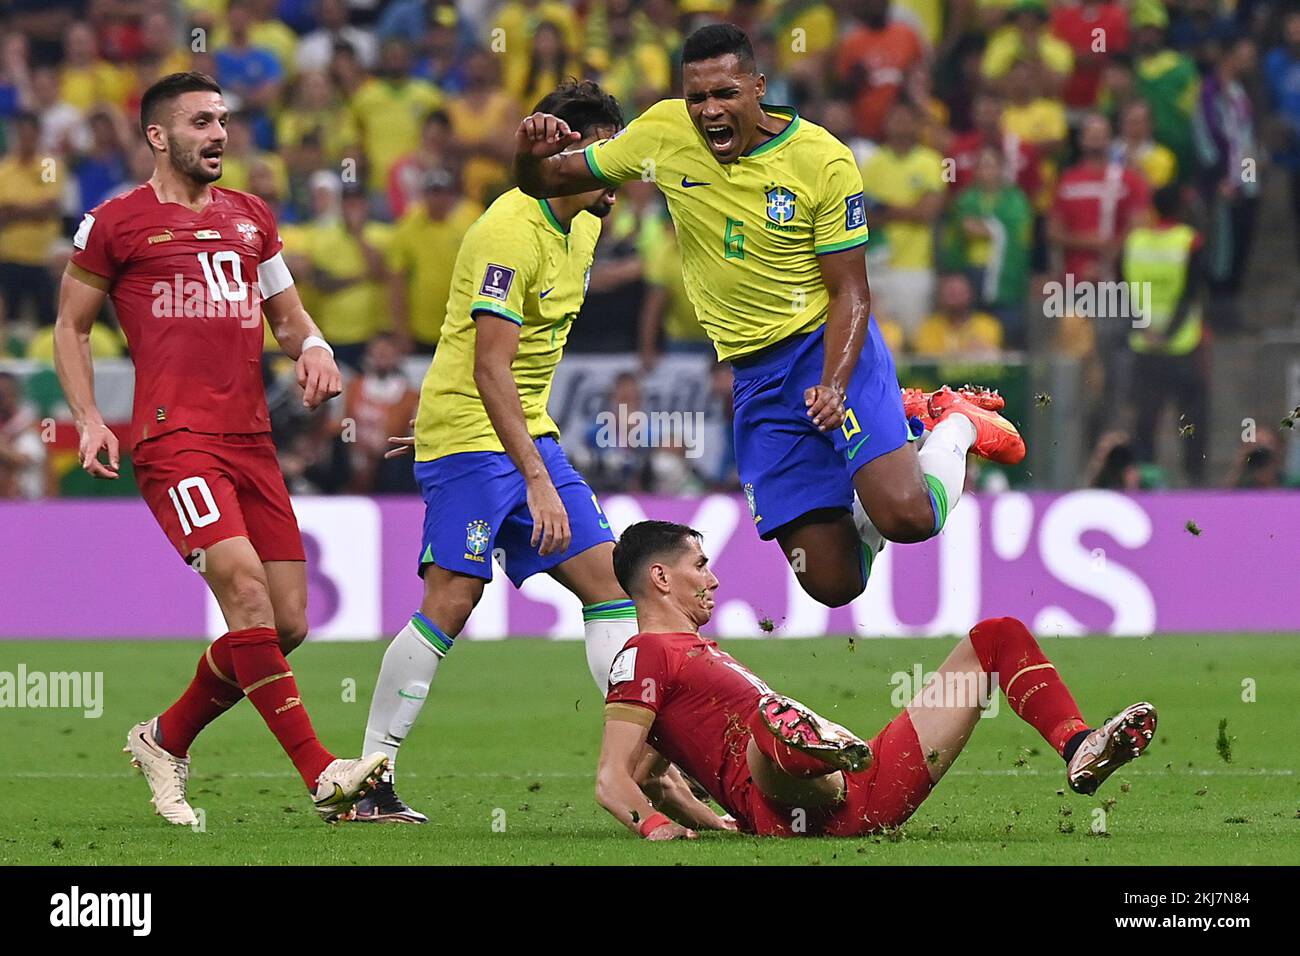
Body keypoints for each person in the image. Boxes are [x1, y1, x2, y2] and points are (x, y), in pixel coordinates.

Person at [514, 23, 1024, 613]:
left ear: (759, 86)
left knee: (907, 516)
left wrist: (834, 383)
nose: (709, 111)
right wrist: (529, 153)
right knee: (832, 584)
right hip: (754, 379)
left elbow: (851, 293)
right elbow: (544, 181)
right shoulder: (660, 134)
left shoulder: (823, 162)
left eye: (725, 94)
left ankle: (954, 422)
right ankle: (893, 442)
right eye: (696, 97)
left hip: (824, 347)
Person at [52, 72, 387, 826]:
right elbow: (70, 325)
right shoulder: (116, 222)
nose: (219, 134)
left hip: (251, 441)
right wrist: (89, 417)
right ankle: (323, 773)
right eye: (201, 121)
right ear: (159, 136)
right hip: (176, 439)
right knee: (244, 591)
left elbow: (290, 313)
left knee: (286, 623)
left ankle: (164, 738)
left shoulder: (252, 218)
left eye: (224, 120)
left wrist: (317, 347)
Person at [355, 80, 646, 823]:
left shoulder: (585, 224)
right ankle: (370, 782)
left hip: (520, 429)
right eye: (600, 153)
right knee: (452, 600)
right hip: (476, 438)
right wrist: (533, 478)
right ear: (567, 155)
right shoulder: (507, 233)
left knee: (612, 585)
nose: (613, 169)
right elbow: (488, 367)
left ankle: (638, 766)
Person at [596, 520, 1157, 839]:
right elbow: (613, 777)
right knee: (769, 722)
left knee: (998, 636)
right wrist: (653, 828)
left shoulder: (689, 654)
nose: (713, 579)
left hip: (865, 795)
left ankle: (1080, 743)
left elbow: (654, 775)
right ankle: (809, 743)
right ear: (661, 577)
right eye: (700, 566)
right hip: (785, 805)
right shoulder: (645, 654)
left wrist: (711, 825)